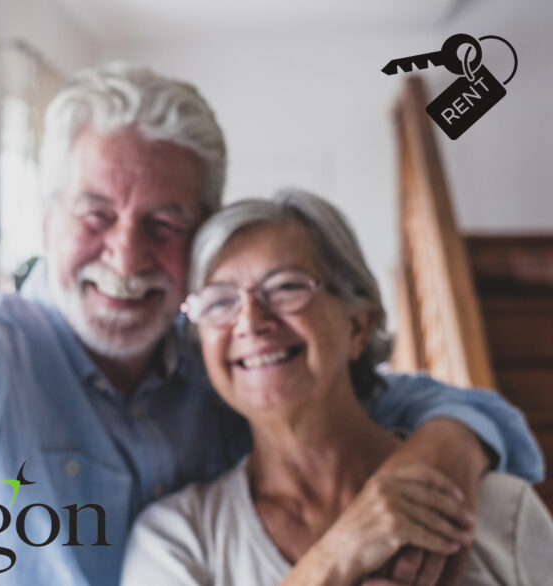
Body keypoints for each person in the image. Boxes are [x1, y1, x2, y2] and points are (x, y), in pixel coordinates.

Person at [0, 64, 543, 586]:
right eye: (96, 213)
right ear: (47, 220)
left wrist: (451, 448)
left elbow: (379, 393)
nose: (125, 252)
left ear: (202, 241)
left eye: (166, 220)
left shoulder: (231, 360)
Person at [121, 191, 553, 586]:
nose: (250, 321)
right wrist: (335, 556)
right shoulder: (177, 539)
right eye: (219, 301)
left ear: (358, 325)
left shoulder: (502, 510)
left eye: (287, 287)